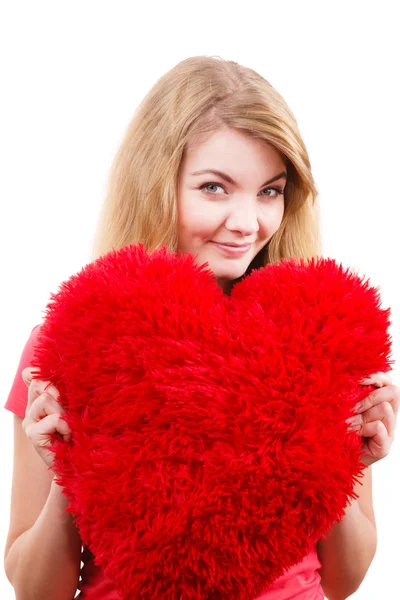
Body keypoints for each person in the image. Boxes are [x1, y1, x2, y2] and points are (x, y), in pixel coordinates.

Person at [3, 55, 399, 600]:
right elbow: (34, 591)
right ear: (155, 185)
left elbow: (344, 580)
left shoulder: (321, 336)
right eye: (215, 187)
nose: (247, 222)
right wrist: (70, 477)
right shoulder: (70, 344)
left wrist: (344, 467)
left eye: (270, 191)